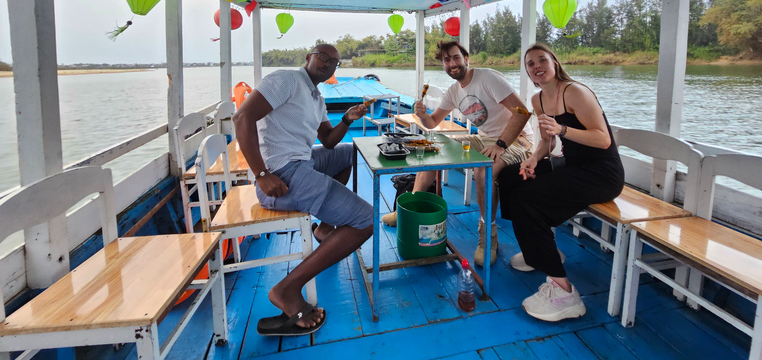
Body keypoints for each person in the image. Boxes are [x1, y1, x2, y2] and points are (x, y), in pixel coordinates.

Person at [233, 44, 373, 336]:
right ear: (308, 57)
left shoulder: (316, 96)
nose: (328, 63)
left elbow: (330, 141)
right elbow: (242, 117)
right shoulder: (285, 79)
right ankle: (287, 289)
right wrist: (261, 175)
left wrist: (346, 119)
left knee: (348, 152)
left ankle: (325, 228)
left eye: (334, 61)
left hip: (303, 161)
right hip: (281, 175)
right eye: (322, 56)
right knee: (366, 220)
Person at [498, 43, 624, 322]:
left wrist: (565, 129)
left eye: (542, 60)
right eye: (530, 63)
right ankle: (542, 249)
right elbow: (547, 141)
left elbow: (603, 139)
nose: (536, 66)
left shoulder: (575, 92)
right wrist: (532, 160)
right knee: (510, 175)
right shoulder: (538, 100)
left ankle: (564, 291)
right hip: (573, 165)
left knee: (527, 199)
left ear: (554, 63)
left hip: (602, 172)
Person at [382, 40, 533, 267]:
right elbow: (432, 123)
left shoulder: (487, 78)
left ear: (465, 58)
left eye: (455, 57)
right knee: (434, 150)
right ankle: (410, 205)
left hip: (517, 140)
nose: (452, 63)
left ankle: (488, 236)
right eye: (446, 60)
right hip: (485, 139)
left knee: (484, 170)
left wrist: (501, 145)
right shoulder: (454, 91)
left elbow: (523, 112)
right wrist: (422, 114)